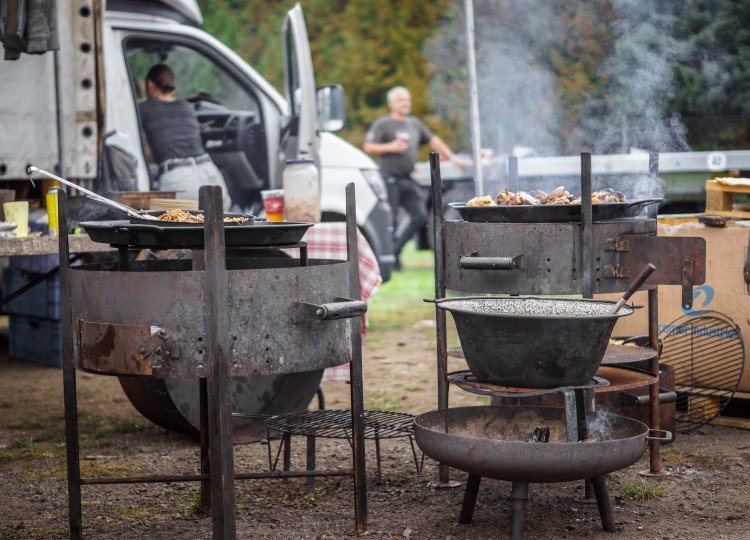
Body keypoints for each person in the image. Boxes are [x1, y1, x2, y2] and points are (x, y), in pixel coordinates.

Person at [363, 86, 467, 269]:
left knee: (419, 215)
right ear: (391, 103)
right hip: (389, 178)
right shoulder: (383, 124)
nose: (406, 103)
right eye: (401, 100)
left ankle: (395, 249)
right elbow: (369, 147)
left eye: (407, 100)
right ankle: (392, 260)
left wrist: (452, 157)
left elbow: (433, 140)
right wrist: (391, 147)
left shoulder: (414, 124)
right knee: (391, 220)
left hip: (408, 178)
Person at [138, 64, 231, 209]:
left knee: (173, 225)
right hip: (210, 173)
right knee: (219, 226)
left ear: (150, 84)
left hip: (179, 181)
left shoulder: (143, 109)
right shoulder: (187, 106)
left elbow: (146, 151)